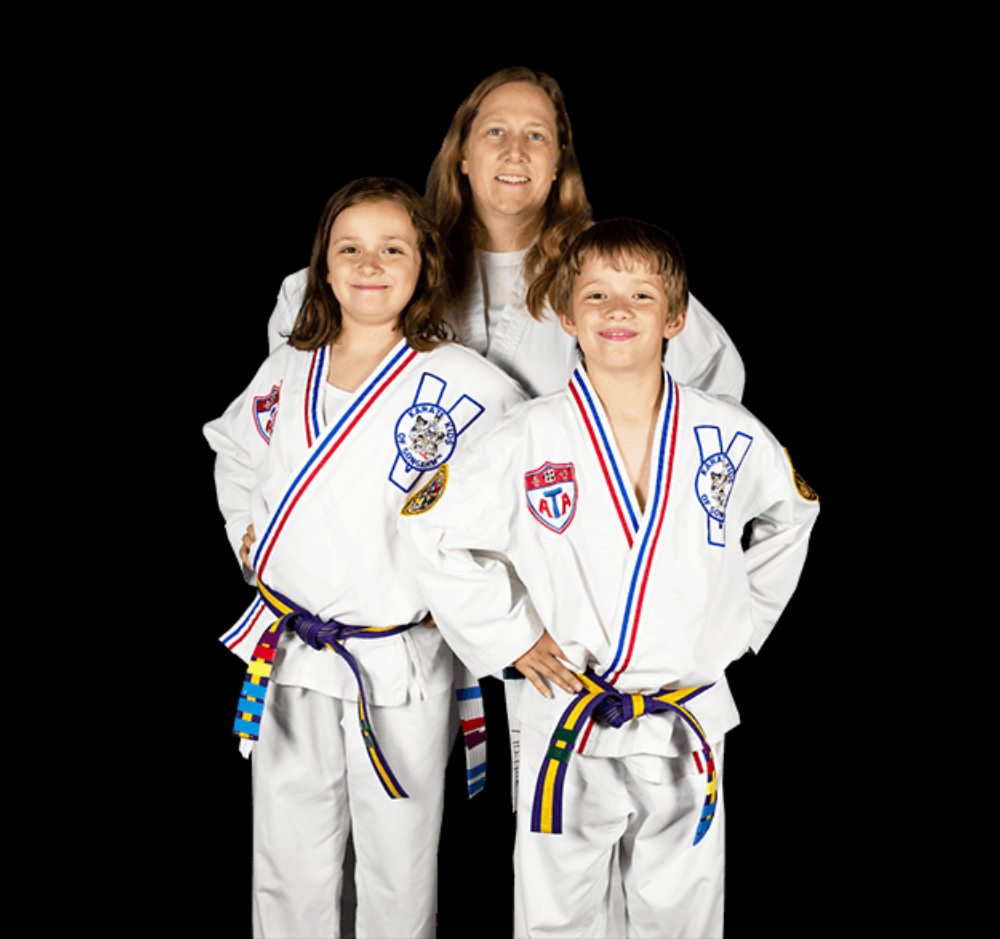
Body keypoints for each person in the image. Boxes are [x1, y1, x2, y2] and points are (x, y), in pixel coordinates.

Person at [398, 218, 820, 937]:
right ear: (566, 315)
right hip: (568, 708)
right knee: (557, 914)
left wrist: (741, 619)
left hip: (685, 715)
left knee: (680, 914)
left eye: (640, 295)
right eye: (596, 295)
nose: (618, 311)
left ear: (676, 318)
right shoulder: (526, 437)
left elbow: (795, 512)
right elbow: (427, 525)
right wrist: (511, 637)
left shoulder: (730, 434)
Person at [204, 177, 526, 938]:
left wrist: (479, 606)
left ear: (426, 266)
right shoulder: (289, 366)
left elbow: (519, 506)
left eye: (392, 248)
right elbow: (234, 451)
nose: (369, 264)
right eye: (349, 248)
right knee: (287, 861)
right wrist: (250, 537)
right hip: (288, 653)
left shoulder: (470, 386)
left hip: (400, 663)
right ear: (323, 266)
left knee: (398, 865)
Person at [265, 68, 744, 403]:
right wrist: (259, 516)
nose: (515, 152)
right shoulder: (397, 263)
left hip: (552, 533)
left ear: (558, 163)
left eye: (535, 136)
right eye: (495, 132)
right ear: (463, 156)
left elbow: (714, 378)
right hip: (405, 539)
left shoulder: (606, 273)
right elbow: (282, 398)